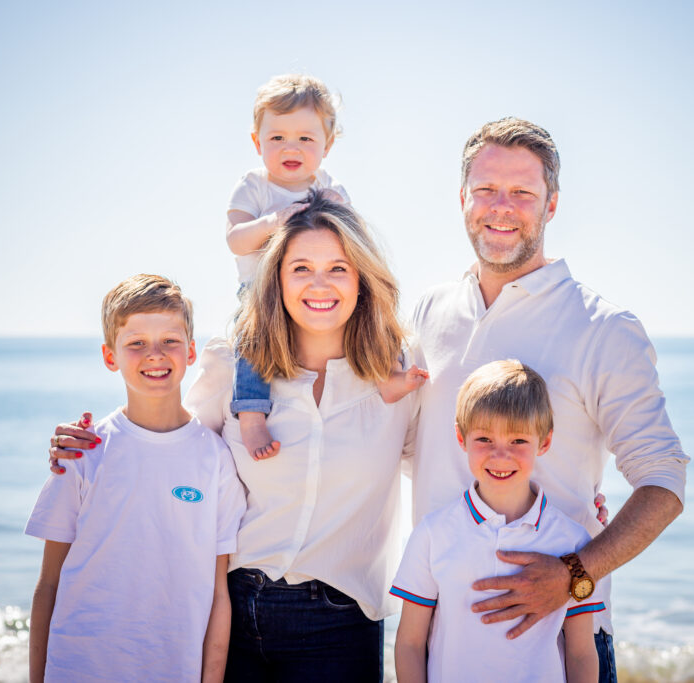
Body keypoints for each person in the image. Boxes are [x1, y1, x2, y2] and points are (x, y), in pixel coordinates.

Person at [50, 194, 416, 682]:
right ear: (277, 280)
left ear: (362, 280)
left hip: (340, 624)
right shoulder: (232, 368)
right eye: (301, 268)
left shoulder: (399, 379)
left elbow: (451, 473)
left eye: (339, 268)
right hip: (227, 612)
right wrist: (86, 444)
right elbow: (174, 446)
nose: (320, 284)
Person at [408, 117, 689, 681]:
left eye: (523, 193)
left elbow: (664, 481)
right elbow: (397, 447)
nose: (501, 206)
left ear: (552, 204)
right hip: (443, 644)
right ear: (462, 198)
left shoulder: (604, 328)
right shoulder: (427, 312)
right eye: (486, 189)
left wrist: (573, 573)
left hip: (562, 641)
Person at [27, 274, 246, 683]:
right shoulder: (82, 453)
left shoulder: (215, 461)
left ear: (191, 351)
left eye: (169, 341)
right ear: (110, 356)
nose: (155, 355)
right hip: (78, 669)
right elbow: (49, 585)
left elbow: (219, 595)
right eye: (136, 344)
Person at [224, 74, 425, 460]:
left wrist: (340, 208)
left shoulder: (331, 186)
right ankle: (251, 415)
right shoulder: (253, 187)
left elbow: (355, 243)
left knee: (366, 315)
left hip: (316, 291)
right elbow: (235, 239)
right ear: (257, 142)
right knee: (250, 343)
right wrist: (272, 221)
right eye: (277, 137)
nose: (291, 147)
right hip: (258, 294)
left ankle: (385, 377)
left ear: (327, 145)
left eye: (306, 138)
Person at [392, 360, 599, 683]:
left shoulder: (572, 542)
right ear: (461, 438)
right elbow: (409, 643)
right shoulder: (433, 534)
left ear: (544, 443)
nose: (500, 455)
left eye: (518, 441)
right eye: (485, 440)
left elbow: (581, 652)